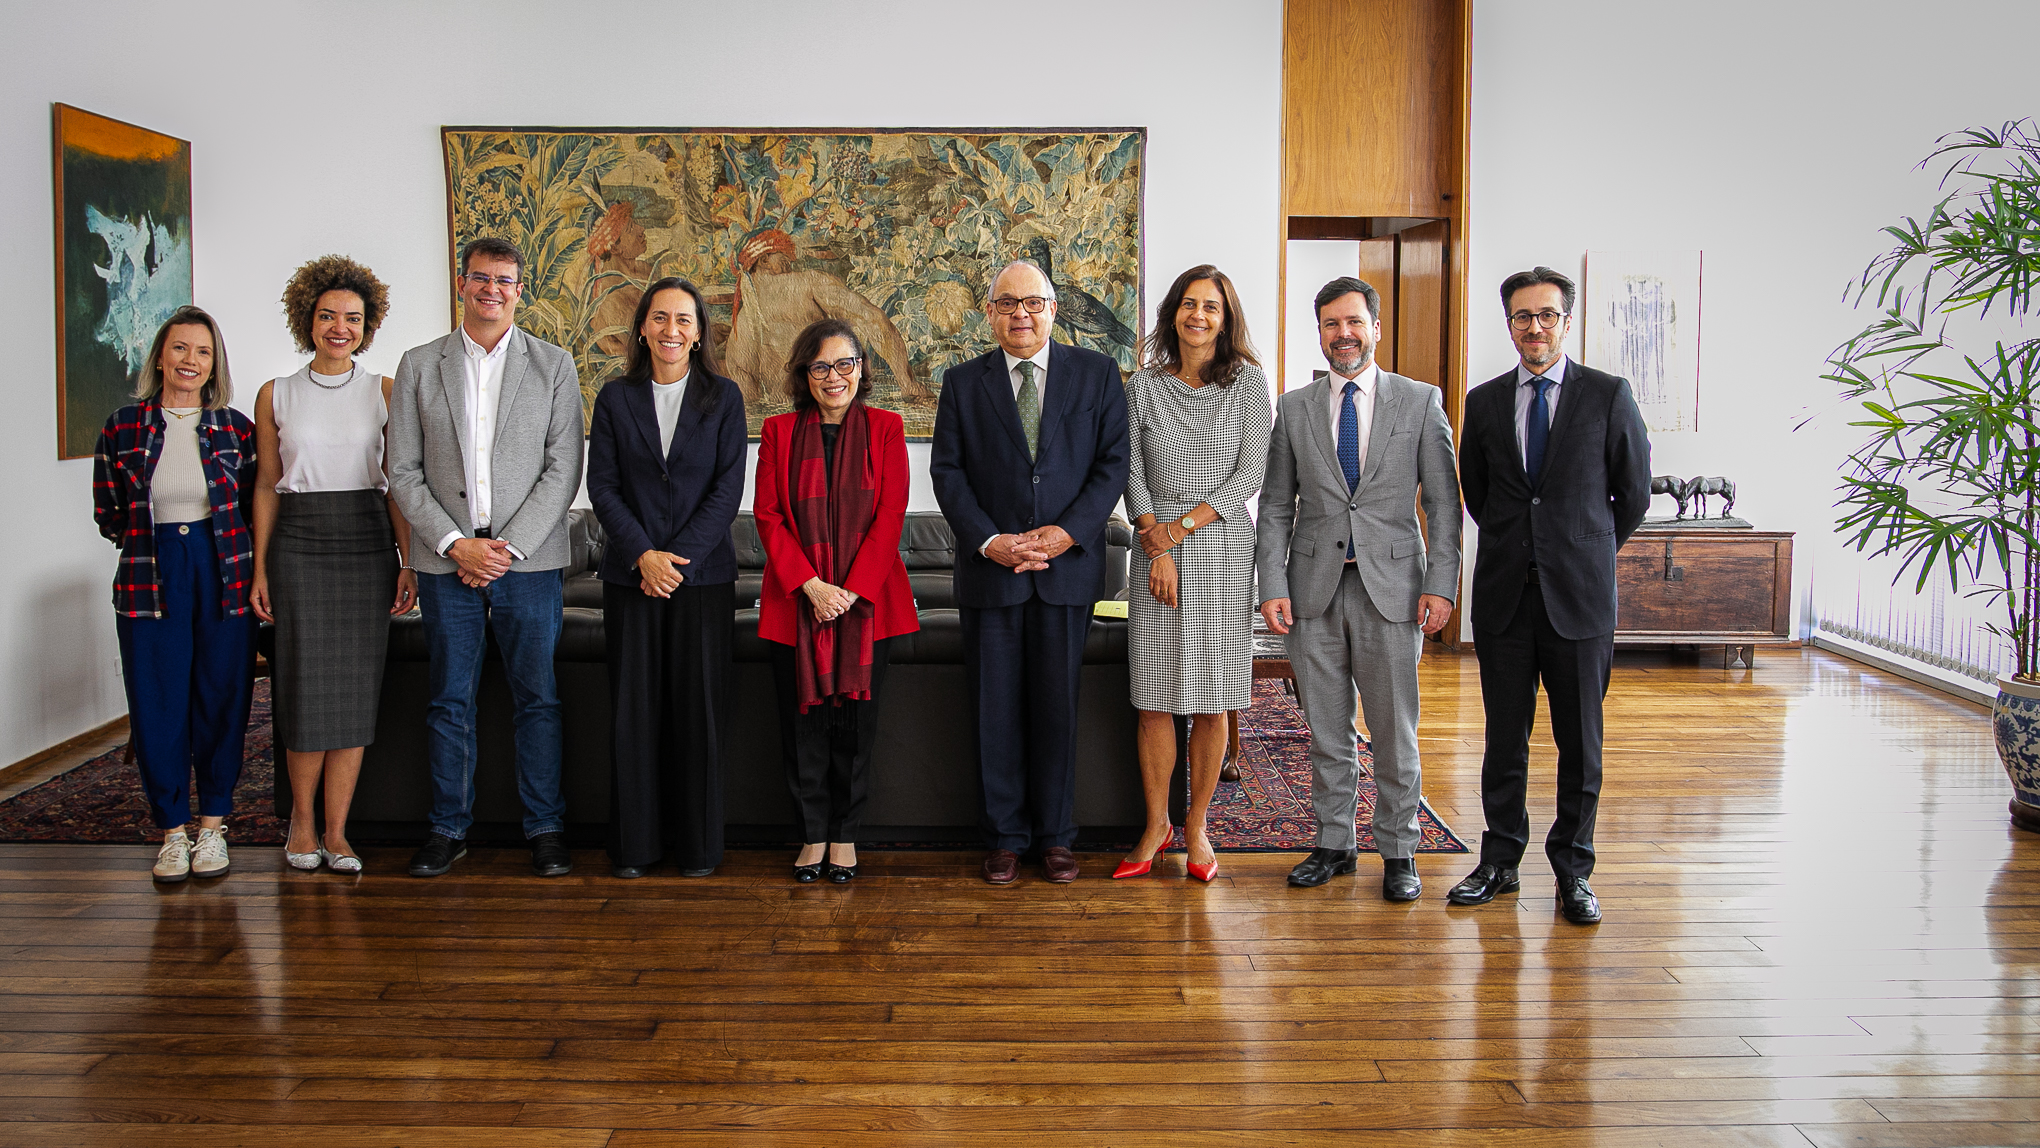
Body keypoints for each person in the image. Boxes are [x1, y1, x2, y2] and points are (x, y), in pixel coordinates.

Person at [1449, 266, 1651, 925]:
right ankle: (1500, 861)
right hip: (1506, 597)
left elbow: (1635, 494)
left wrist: (1581, 547)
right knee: (1504, 739)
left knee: (1580, 743)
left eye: (1547, 315)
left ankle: (1574, 872)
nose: (1534, 327)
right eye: (1521, 317)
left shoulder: (1608, 396)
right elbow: (1478, 496)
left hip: (1581, 600)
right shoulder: (1481, 402)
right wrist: (1525, 543)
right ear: (1507, 324)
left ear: (1567, 321)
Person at [387, 237, 586, 879]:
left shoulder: (554, 365)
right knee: (449, 699)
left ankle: (546, 828)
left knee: (539, 698)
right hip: (448, 562)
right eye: (481, 278)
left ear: (519, 290)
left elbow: (563, 469)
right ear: (462, 283)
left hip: (526, 563)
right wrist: (454, 545)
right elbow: (404, 470)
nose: (492, 289)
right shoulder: (420, 364)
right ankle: (448, 829)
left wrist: (505, 550)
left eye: (505, 280)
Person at [1256, 277, 1461, 898]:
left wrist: (1442, 584)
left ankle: (1400, 851)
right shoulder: (1294, 408)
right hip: (1312, 591)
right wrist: (1272, 583)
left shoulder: (1420, 402)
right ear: (1318, 333)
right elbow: (1275, 508)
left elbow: (1445, 507)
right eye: (1329, 325)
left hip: (1393, 590)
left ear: (1375, 327)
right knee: (1326, 728)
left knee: (1394, 730)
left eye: (1353, 322)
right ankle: (1334, 843)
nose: (1342, 335)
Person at [930, 258, 1130, 885]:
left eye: (1033, 303)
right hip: (993, 574)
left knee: (1057, 708)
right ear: (990, 312)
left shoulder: (1096, 375)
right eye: (1007, 303)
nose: (1021, 314)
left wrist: (1067, 533)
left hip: (1067, 572)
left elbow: (1111, 465)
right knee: (995, 712)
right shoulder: (963, 383)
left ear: (1052, 308)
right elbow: (948, 473)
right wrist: (991, 541)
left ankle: (1056, 836)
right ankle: (1004, 837)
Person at [249, 256, 417, 875]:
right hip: (298, 546)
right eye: (327, 316)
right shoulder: (277, 393)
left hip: (366, 544)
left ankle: (339, 832)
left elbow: (397, 484)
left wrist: (406, 560)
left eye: (352, 318)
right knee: (301, 688)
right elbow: (267, 484)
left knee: (353, 693)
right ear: (307, 320)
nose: (339, 327)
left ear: (367, 324)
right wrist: (262, 567)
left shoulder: (384, 390)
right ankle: (301, 822)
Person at [584, 277, 746, 879]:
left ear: (700, 331)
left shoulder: (724, 397)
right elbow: (602, 485)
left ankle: (699, 849)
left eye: (683, 319)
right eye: (660, 318)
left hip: (702, 582)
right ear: (643, 328)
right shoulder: (614, 397)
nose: (671, 330)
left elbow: (727, 489)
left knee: (698, 714)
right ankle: (635, 847)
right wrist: (643, 556)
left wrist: (675, 560)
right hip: (632, 580)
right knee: (634, 714)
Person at [1115, 266, 1271, 884]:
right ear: (1172, 314)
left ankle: (1199, 825)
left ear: (1226, 318)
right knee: (1153, 700)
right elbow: (1129, 469)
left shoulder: (1250, 385)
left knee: (1213, 701)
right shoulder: (1143, 388)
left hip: (1224, 554)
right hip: (1156, 558)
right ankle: (1156, 824)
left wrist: (1177, 534)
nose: (1198, 315)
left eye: (1211, 306)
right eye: (1188, 304)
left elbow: (1249, 474)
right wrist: (1157, 547)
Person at [92, 306, 258, 882]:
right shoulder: (123, 426)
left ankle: (212, 828)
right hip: (149, 575)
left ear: (215, 365)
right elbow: (108, 511)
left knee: (222, 697)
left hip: (223, 573)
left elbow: (256, 508)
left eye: (203, 351)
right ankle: (172, 832)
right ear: (160, 357)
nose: (191, 361)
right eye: (181, 349)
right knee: (157, 702)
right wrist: (151, 541)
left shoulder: (235, 428)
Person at [752, 319, 919, 883]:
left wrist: (847, 591)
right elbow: (769, 516)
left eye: (845, 364)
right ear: (805, 373)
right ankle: (812, 834)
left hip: (868, 603)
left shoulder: (887, 428)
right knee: (802, 729)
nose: (834, 377)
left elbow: (891, 513)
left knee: (855, 728)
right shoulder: (777, 432)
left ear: (862, 370)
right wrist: (811, 586)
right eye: (821, 366)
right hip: (796, 601)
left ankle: (844, 836)